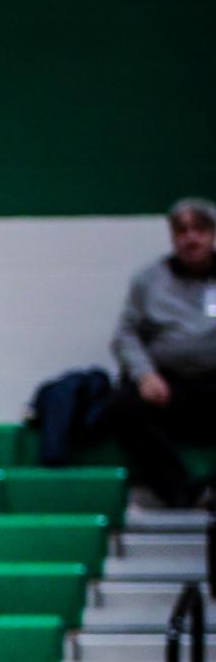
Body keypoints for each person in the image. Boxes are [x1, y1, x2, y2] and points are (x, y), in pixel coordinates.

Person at [106, 197, 216, 509]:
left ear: (212, 234)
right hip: (168, 387)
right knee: (122, 406)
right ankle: (184, 493)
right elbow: (125, 336)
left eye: (199, 229)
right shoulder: (149, 280)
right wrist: (145, 375)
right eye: (181, 230)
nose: (190, 237)